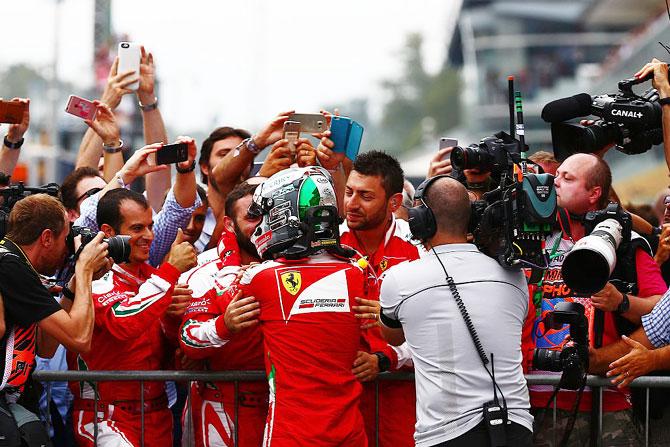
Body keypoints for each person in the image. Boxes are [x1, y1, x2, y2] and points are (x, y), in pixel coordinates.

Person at [216, 166, 368, 445]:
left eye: (264, 213)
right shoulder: (358, 272)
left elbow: (223, 299)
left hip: (292, 431)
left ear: (285, 213)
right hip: (350, 430)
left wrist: (228, 247)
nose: (262, 222)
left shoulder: (261, 277)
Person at [380, 175, 533, 446]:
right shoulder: (515, 275)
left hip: (446, 433)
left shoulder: (399, 279)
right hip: (515, 427)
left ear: (419, 220)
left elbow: (392, 338)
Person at [526, 153, 666, 446]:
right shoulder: (533, 241)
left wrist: (621, 302)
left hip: (609, 395)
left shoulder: (627, 245)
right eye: (556, 175)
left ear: (594, 193)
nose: (556, 182)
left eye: (568, 178)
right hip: (544, 392)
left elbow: (662, 309)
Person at [68, 188, 198, 447]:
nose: (149, 236)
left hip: (158, 417)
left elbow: (168, 357)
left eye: (150, 226)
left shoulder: (154, 279)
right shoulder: (95, 277)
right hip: (105, 419)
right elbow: (124, 324)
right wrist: (170, 270)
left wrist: (173, 320)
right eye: (138, 228)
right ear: (109, 232)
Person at [0, 194, 110, 444]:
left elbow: (46, 347)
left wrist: (73, 287)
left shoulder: (16, 264)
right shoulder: (10, 266)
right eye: (65, 237)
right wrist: (83, 269)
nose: (67, 248)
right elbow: (80, 339)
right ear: (47, 237)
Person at [339, 150, 419, 446]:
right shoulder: (326, 246)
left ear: (394, 203)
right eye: (348, 192)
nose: (352, 204)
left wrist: (386, 358)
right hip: (341, 402)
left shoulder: (420, 247)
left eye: (365, 196)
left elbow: (438, 330)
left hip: (403, 401)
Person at [179, 181, 266, 447]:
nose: (262, 224)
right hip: (218, 406)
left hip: (281, 406)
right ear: (229, 224)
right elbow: (187, 342)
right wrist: (223, 326)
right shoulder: (201, 274)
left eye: (267, 214)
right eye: (252, 216)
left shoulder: (295, 269)